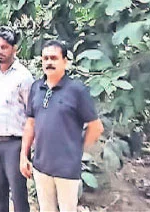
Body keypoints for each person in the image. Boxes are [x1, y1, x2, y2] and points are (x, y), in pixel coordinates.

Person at [20, 40, 104, 212]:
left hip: (66, 169)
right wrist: (24, 156)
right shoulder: (36, 87)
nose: (49, 62)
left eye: (54, 58)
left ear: (65, 61)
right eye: (45, 58)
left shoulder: (77, 90)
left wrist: (77, 149)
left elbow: (96, 127)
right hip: (41, 166)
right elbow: (30, 124)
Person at [0, 27, 34, 212]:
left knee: (18, 193)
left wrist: (27, 150)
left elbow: (31, 114)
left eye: (4, 47)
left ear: (15, 49)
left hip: (15, 143)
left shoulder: (24, 76)